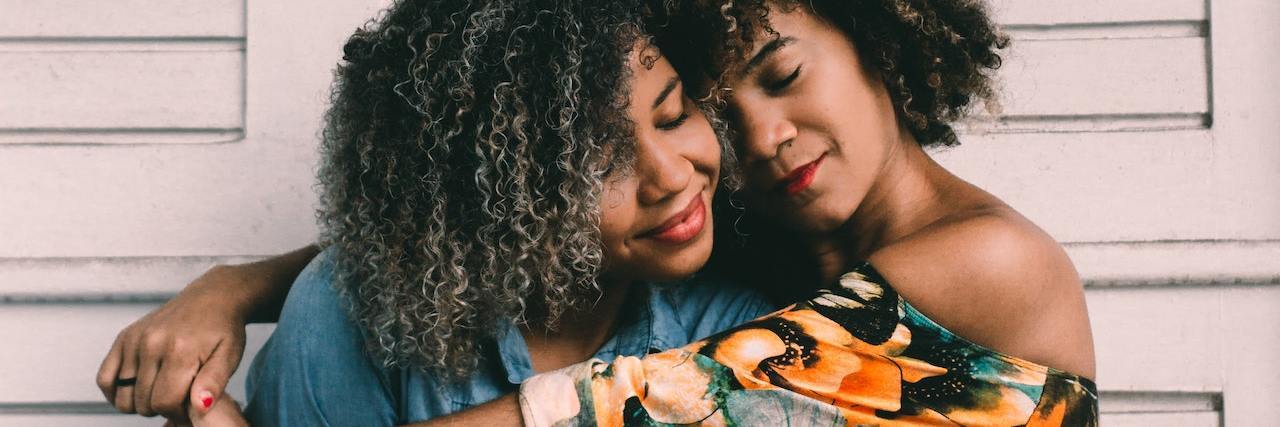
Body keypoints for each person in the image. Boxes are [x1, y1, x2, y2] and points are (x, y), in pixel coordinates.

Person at [101, 0, 1099, 425]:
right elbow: (485, 222)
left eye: (784, 74)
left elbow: (635, 409)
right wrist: (234, 284)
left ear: (876, 30)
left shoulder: (985, 263)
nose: (760, 139)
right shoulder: (783, 243)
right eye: (716, 110)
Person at [96, 0, 774, 425]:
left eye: (674, 112)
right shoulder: (348, 319)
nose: (673, 174)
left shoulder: (741, 326)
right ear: (494, 198)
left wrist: (233, 285)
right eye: (599, 165)